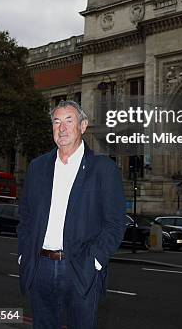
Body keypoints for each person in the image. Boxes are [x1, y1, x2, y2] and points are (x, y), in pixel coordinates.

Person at [17, 100, 126, 329]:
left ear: (83, 126)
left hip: (81, 268)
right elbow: (25, 216)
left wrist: (95, 260)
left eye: (69, 121)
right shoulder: (37, 167)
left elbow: (115, 223)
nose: (62, 128)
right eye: (57, 122)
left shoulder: (103, 168)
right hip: (40, 266)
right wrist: (25, 254)